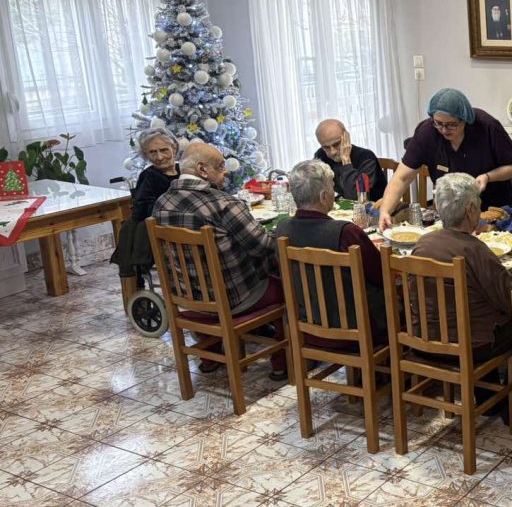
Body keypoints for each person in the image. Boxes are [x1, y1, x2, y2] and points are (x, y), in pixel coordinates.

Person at [152, 142, 287, 379]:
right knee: (287, 284)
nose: (226, 172)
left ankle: (209, 355)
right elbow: (264, 246)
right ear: (203, 170)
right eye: (221, 166)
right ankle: (281, 363)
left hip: (187, 298)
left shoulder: (161, 205)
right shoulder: (223, 203)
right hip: (233, 299)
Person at [411, 172, 512, 361]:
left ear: (438, 207)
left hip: (422, 339)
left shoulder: (422, 243)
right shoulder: (473, 249)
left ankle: (484, 389)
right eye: (479, 201)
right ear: (470, 209)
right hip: (470, 347)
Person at [276, 160, 387, 348]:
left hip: (307, 325)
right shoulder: (345, 232)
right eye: (332, 187)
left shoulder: (282, 229)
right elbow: (381, 275)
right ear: (324, 195)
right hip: (359, 328)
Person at [378, 88, 512, 230]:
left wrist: (488, 177)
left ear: (465, 119)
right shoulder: (427, 132)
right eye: (438, 123)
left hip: (492, 211)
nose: (444, 130)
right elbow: (401, 178)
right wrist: (385, 211)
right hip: (451, 214)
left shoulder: (487, 127)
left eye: (451, 125)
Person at [111, 128, 181, 282]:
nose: (159, 157)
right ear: (146, 155)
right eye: (152, 153)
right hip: (165, 232)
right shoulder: (149, 176)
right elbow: (140, 211)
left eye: (164, 150)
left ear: (174, 148)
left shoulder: (185, 170)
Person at [314, 118, 386, 200]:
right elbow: (314, 188)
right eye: (326, 147)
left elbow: (355, 198)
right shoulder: (321, 155)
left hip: (372, 209)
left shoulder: (366, 157)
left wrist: (346, 161)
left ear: (347, 138)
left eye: (337, 144)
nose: (332, 152)